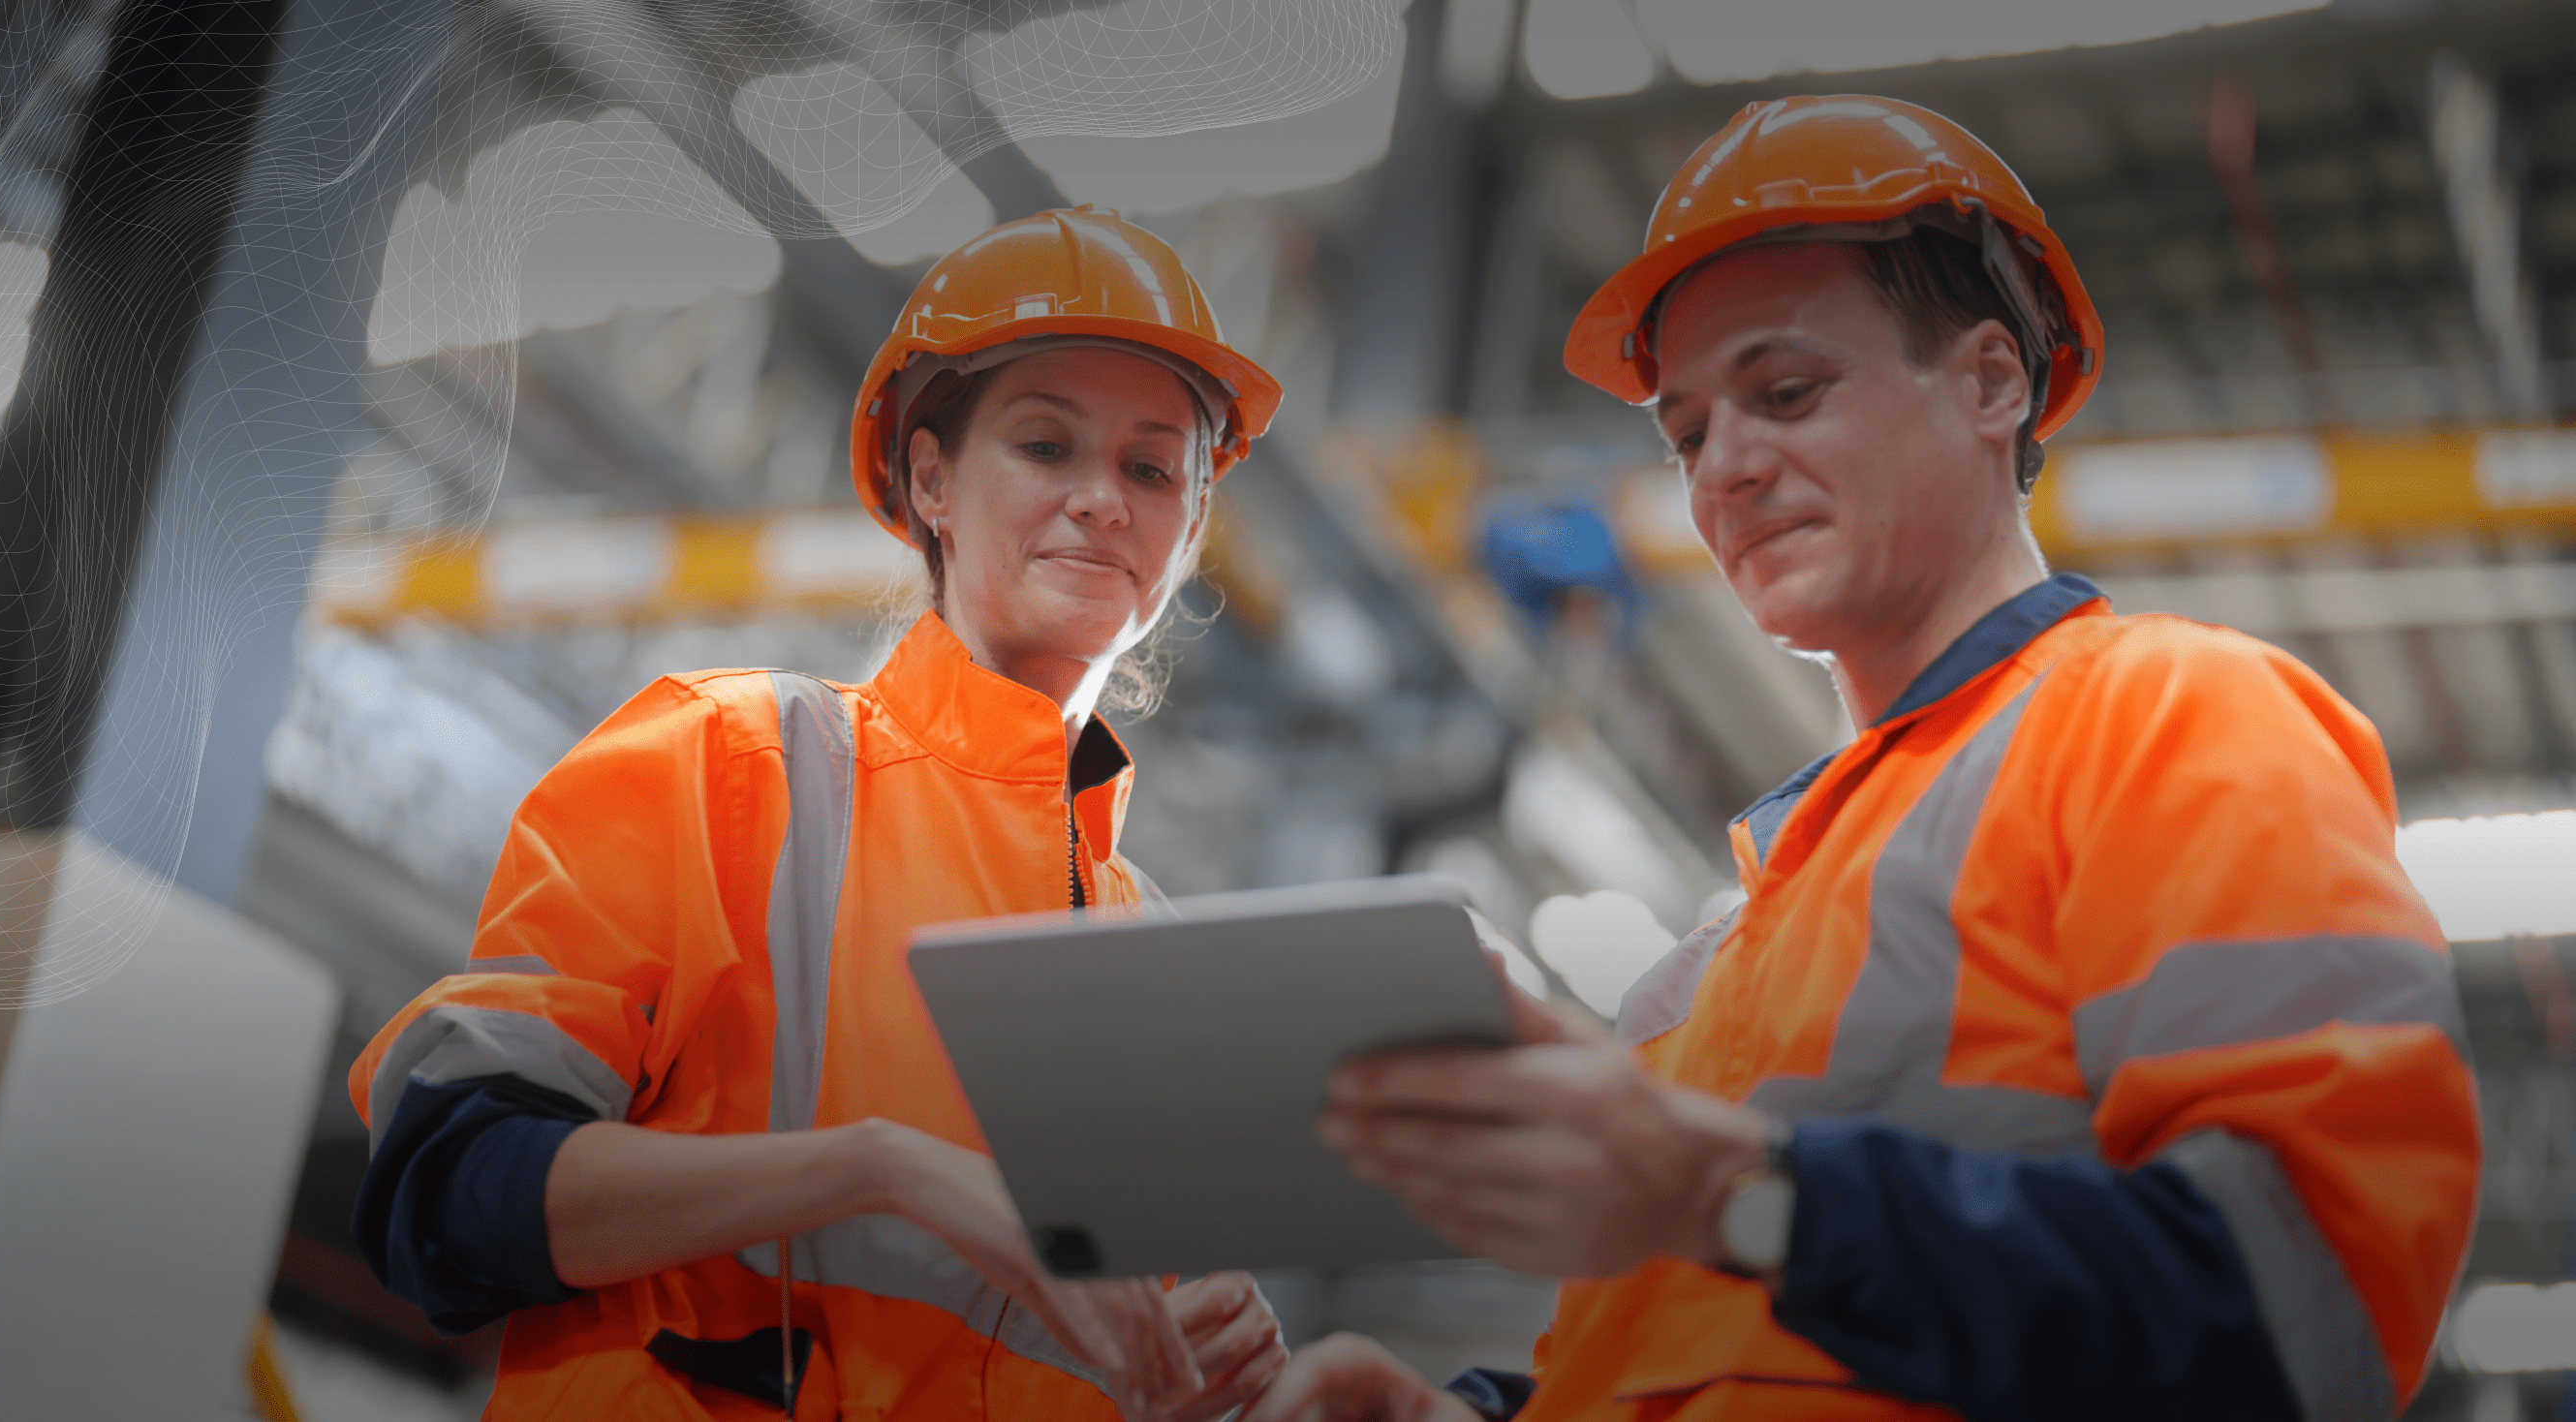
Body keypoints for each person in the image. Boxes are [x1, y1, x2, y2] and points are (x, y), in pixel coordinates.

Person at [1243, 97, 2478, 1422]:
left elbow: (2302, 1318)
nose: (1723, 469)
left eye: (1784, 393)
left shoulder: (2169, 717)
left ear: (1992, 382)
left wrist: (1736, 1191)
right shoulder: (1697, 972)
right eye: (1688, 434)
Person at [349, 205, 1292, 1421]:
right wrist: (873, 1171)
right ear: (930, 478)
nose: (1103, 500)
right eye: (1046, 446)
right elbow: (445, 1188)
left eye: (1151, 467)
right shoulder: (734, 759)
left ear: (1190, 528)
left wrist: (1204, 1367)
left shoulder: (1157, 960)